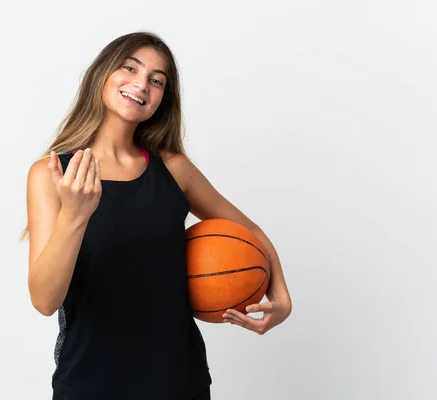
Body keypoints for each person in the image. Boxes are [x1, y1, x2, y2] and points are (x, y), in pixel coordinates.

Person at [22, 31, 292, 400]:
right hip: (90, 385)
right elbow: (44, 300)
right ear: (101, 74)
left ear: (163, 99)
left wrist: (281, 296)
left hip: (180, 382)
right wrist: (75, 215)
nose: (141, 84)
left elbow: (249, 231)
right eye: (129, 67)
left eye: (156, 80)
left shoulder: (173, 169)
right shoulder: (53, 173)